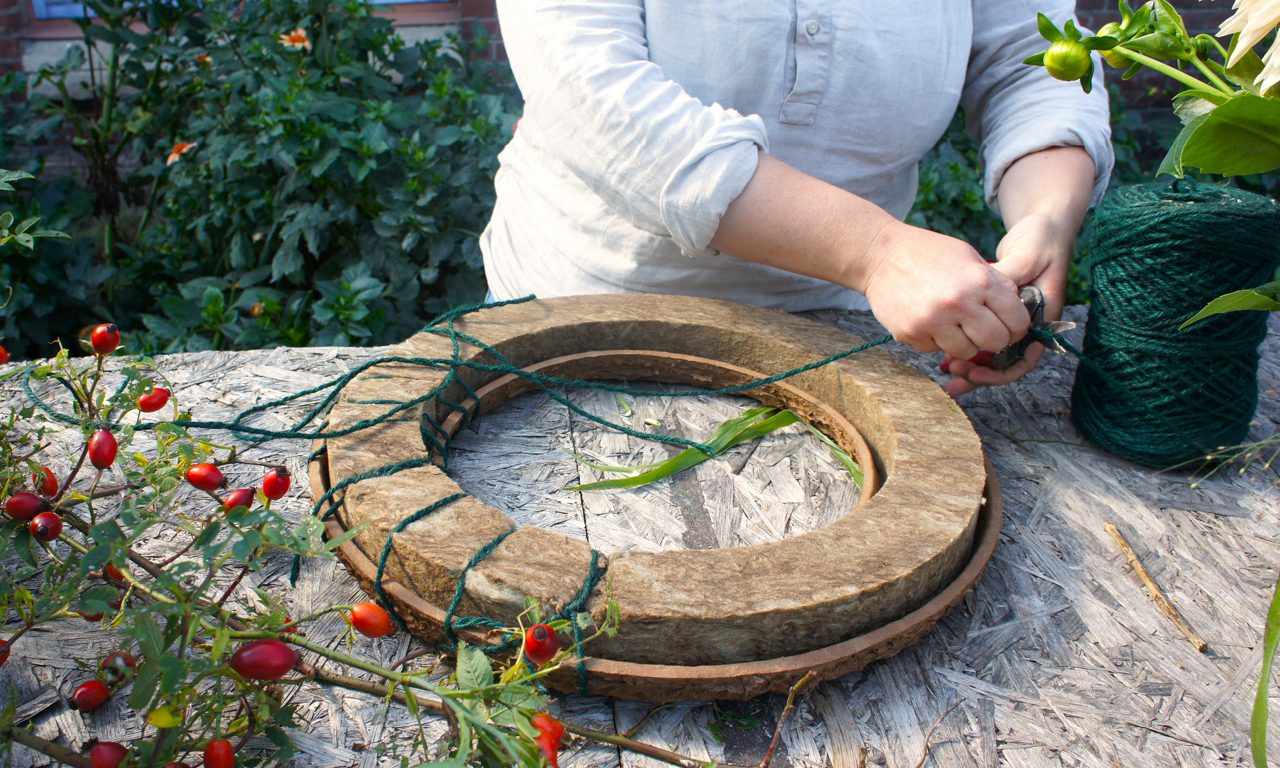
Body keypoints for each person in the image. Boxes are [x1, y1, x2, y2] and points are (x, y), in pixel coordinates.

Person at [479, 2, 1113, 395]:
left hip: (843, 337)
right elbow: (591, 99)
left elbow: (1030, 63)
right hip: (582, 324)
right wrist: (877, 252)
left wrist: (1046, 221)